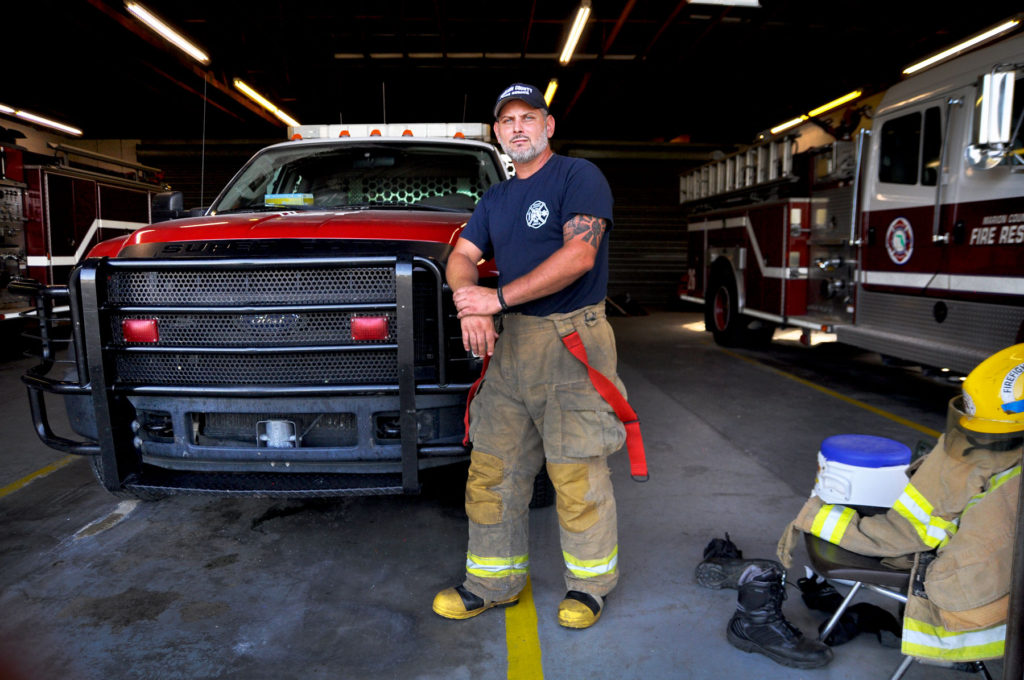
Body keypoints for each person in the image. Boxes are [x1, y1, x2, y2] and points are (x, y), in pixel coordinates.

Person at [432, 82, 628, 629]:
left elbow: (579, 257)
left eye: (528, 116)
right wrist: (470, 305)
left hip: (571, 341)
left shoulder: (577, 176)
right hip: (512, 346)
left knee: (576, 473)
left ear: (548, 125)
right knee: (493, 470)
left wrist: (493, 298)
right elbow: (462, 256)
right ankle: (492, 583)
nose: (517, 126)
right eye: (507, 120)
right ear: (497, 133)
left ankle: (590, 587)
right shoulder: (494, 199)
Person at [777, 343, 1024, 663]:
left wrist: (816, 517)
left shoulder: (1005, 484)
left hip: (961, 592)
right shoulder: (1000, 455)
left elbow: (920, 539)